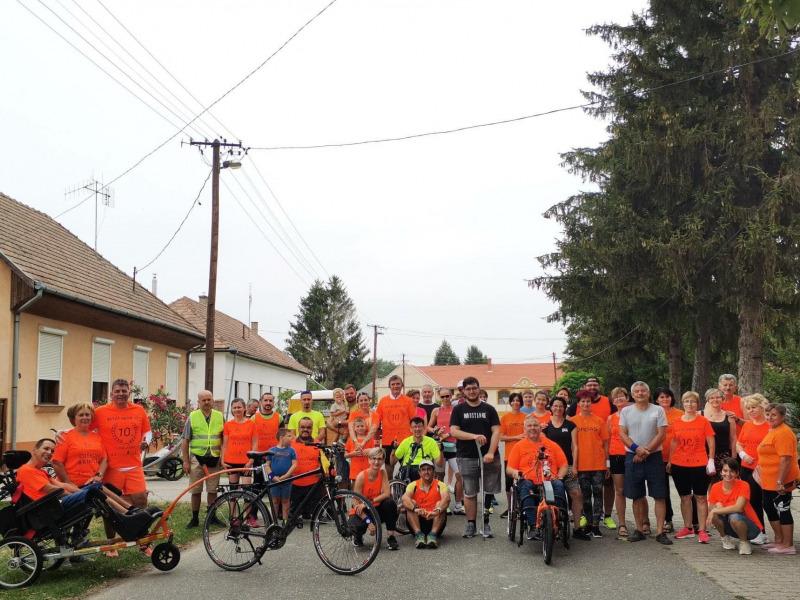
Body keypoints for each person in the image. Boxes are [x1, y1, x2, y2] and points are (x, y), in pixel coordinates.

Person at [17, 439, 154, 543]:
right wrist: (81, 495)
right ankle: (128, 516)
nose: (49, 453)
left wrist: (80, 491)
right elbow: (52, 490)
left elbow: (62, 484)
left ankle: (130, 511)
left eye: (52, 451)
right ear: (34, 449)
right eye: (46, 449)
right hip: (49, 508)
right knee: (94, 491)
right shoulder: (26, 470)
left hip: (54, 503)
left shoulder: (40, 471)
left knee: (97, 485)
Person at [618, 381, 671, 544]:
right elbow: (623, 434)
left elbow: (661, 434)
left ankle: (660, 531)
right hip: (632, 457)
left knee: (659, 495)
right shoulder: (626, 411)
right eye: (637, 391)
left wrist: (646, 450)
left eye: (643, 391)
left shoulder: (658, 410)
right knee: (636, 495)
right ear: (632, 395)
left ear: (648, 394)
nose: (640, 393)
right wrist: (636, 449)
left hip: (654, 457)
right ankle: (639, 529)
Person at [449, 376, 501, 539]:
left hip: (489, 457)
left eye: (474, 388)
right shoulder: (459, 410)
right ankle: (471, 524)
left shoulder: (489, 409)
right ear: (463, 391)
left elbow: (496, 432)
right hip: (467, 456)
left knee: (488, 491)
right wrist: (474, 436)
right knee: (470, 492)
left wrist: (491, 452)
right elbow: (454, 431)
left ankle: (486, 523)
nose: (472, 391)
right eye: (468, 389)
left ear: (479, 389)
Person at [506, 416, 572, 540]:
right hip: (528, 481)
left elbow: (564, 465)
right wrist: (516, 473)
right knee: (525, 488)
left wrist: (558, 476)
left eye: (535, 425)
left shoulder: (552, 445)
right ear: (524, 428)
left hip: (549, 480)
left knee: (559, 486)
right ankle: (533, 526)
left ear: (540, 428)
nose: (532, 428)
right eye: (529, 426)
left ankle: (556, 520)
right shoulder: (519, 446)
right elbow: (509, 469)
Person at [92, 379, 151, 509]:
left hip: (134, 465)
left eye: (124, 391)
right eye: (117, 391)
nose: (120, 394)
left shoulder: (139, 410)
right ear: (111, 394)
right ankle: (112, 530)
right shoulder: (100, 412)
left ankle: (141, 529)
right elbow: (84, 429)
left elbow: (147, 432)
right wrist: (64, 432)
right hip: (111, 468)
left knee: (141, 501)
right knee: (109, 506)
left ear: (129, 393)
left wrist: (145, 442)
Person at [666, 391, 715, 543]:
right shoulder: (677, 421)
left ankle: (702, 530)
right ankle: (688, 528)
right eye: (686, 401)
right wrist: (669, 461)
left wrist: (711, 461)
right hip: (680, 464)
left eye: (693, 402)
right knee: (685, 497)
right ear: (683, 403)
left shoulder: (703, 421)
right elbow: (674, 442)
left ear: (697, 404)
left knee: (700, 497)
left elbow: (711, 442)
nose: (689, 404)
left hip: (699, 463)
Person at [756, 403, 799, 554]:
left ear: (783, 417)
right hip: (768, 481)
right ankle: (779, 540)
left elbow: (785, 459)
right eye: (768, 414)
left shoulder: (784, 433)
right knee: (768, 506)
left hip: (781, 481)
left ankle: (787, 545)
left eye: (774, 415)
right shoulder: (773, 430)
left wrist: (780, 481)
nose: (770, 417)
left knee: (783, 509)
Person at [182, 390, 225, 529]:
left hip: (214, 458)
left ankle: (212, 517)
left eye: (209, 399)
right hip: (197, 458)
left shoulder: (220, 416)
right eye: (204, 400)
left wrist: (223, 458)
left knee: (212, 490)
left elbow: (224, 440)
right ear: (198, 402)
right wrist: (186, 461)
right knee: (196, 490)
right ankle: (194, 519)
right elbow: (185, 440)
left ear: (212, 400)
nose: (207, 402)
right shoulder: (192, 417)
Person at [572, 389, 610, 538]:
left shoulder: (599, 420)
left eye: (588, 401)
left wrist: (607, 464)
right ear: (579, 403)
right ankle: (588, 523)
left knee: (598, 494)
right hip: (582, 464)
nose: (586, 403)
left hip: (598, 464)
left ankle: (596, 525)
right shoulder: (573, 421)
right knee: (585, 496)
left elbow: (605, 444)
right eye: (583, 401)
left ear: (591, 403)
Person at [707, 458, 763, 555]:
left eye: (732, 471)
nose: (728, 474)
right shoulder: (715, 487)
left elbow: (738, 508)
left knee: (734, 516)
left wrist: (716, 510)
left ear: (737, 473)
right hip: (730, 526)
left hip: (751, 528)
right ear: (720, 472)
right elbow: (711, 508)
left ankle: (744, 542)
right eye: (725, 470)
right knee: (715, 514)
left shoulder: (744, 485)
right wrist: (715, 508)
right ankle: (725, 538)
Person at [735, 394, 770, 544]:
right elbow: (739, 443)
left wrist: (760, 463)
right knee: (750, 500)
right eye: (748, 408)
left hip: (761, 469)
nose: (751, 411)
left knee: (758, 500)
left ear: (762, 408)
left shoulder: (769, 426)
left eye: (753, 407)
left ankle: (761, 532)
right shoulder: (748, 424)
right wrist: (743, 455)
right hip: (746, 467)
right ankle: (757, 531)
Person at [352, 447, 400, 550]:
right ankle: (357, 536)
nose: (376, 462)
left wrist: (368, 502)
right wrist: (368, 522)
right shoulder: (361, 476)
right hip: (361, 511)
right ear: (369, 460)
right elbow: (355, 503)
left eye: (379, 459)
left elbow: (387, 493)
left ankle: (391, 537)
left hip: (374, 508)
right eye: (373, 459)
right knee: (356, 526)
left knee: (390, 503)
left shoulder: (382, 473)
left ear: (383, 461)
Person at [52, 402, 108, 488]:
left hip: (92, 485)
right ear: (73, 418)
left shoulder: (97, 437)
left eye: (87, 415)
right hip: (72, 487)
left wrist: (99, 476)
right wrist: (68, 483)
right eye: (81, 415)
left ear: (91, 417)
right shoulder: (65, 437)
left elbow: (104, 459)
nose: (85, 417)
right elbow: (57, 462)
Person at [429, 387, 464, 515]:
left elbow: (461, 426)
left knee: (460, 475)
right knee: (440, 476)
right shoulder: (436, 410)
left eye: (447, 396)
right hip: (441, 446)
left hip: (454, 445)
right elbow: (428, 427)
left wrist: (448, 433)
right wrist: (435, 430)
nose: (445, 399)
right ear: (439, 398)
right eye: (442, 397)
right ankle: (443, 503)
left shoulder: (457, 410)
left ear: (451, 396)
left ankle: (459, 504)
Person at [402, 459, 450, 549]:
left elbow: (447, 498)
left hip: (435, 522)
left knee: (441, 504)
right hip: (417, 522)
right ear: (419, 473)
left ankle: (433, 535)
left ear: (434, 472)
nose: (426, 472)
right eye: (423, 470)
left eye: (429, 469)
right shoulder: (413, 485)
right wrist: (415, 509)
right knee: (411, 503)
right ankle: (418, 535)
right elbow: (404, 498)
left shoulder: (440, 485)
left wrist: (437, 511)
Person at [655, 387, 684, 534]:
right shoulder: (653, 414)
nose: (665, 399)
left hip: (678, 457)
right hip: (658, 457)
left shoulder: (680, 414)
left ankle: (693, 522)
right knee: (663, 491)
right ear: (656, 400)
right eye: (661, 397)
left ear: (672, 398)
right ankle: (668, 520)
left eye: (667, 396)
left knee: (684, 491)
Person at [373, 375, 415, 473]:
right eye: (393, 384)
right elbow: (377, 423)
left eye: (398, 384)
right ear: (389, 386)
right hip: (388, 441)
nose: (395, 386)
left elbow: (413, 421)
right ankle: (390, 488)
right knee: (388, 471)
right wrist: (376, 442)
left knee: (407, 471)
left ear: (402, 385)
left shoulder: (408, 401)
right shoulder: (383, 401)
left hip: (405, 441)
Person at [607, 387, 631, 537]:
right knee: (620, 490)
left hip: (631, 454)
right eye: (616, 397)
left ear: (627, 398)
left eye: (622, 396)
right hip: (616, 455)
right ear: (613, 401)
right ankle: (622, 523)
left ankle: (644, 522)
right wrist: (607, 461)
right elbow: (608, 439)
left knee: (637, 490)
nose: (619, 399)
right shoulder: (611, 418)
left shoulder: (633, 414)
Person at [499, 392, 526, 519]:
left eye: (518, 400)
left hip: (524, 454)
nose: (515, 403)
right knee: (509, 483)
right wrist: (516, 437)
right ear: (510, 403)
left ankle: (522, 506)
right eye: (513, 400)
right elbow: (501, 437)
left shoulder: (526, 417)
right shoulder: (505, 418)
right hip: (509, 455)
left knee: (523, 481)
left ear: (521, 402)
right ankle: (510, 508)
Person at [392, 417, 443, 482]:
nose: (417, 429)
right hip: (407, 470)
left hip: (424, 469)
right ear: (410, 429)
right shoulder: (405, 442)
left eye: (419, 426)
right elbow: (393, 462)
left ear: (424, 428)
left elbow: (439, 463)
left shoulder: (431, 441)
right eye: (415, 427)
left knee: (420, 471)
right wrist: (393, 449)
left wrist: (441, 450)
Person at [701, 388, 737, 480]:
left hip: (723, 455)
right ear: (707, 400)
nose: (715, 400)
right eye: (711, 398)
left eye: (718, 397)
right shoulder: (700, 415)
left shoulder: (729, 416)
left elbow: (733, 438)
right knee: (702, 484)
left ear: (722, 399)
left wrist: (733, 458)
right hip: (703, 454)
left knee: (721, 483)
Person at [220, 398, 257, 486]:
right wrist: (222, 461)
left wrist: (251, 461)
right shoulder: (228, 425)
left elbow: (255, 444)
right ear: (232, 410)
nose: (237, 410)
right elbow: (225, 445)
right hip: (231, 461)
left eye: (239, 407)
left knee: (247, 491)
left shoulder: (252, 424)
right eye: (234, 408)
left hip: (246, 461)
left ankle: (247, 500)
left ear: (244, 408)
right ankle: (232, 500)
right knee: (233, 491)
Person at [291, 417, 323, 518]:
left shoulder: (318, 444)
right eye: (302, 427)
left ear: (312, 428)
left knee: (313, 514)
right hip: (294, 484)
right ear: (298, 428)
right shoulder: (290, 444)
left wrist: (321, 467)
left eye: (308, 427)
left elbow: (325, 462)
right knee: (293, 513)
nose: (305, 430)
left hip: (313, 485)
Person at [265, 428, 297, 525]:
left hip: (286, 480)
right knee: (275, 500)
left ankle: (285, 520)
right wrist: (272, 476)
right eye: (289, 436)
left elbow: (294, 464)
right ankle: (274, 522)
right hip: (274, 480)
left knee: (285, 500)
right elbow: (267, 465)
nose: (292, 438)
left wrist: (286, 476)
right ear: (282, 437)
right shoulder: (272, 450)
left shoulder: (291, 451)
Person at [345, 416, 375, 484]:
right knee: (355, 492)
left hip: (367, 472)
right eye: (358, 426)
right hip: (355, 473)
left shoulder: (370, 440)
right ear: (354, 428)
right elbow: (345, 455)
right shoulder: (350, 440)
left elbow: (376, 453)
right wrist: (352, 454)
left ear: (365, 427)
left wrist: (370, 450)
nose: (360, 428)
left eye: (362, 426)